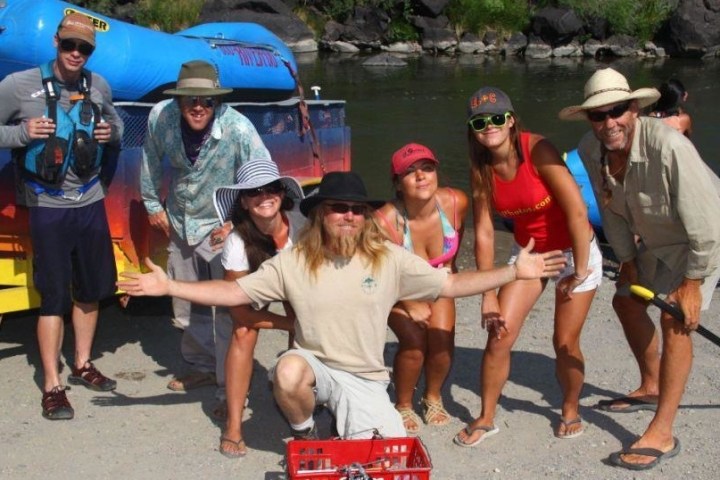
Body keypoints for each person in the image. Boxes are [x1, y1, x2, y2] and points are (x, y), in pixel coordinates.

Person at [119, 171, 567, 444]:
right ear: (321, 214)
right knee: (287, 372)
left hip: (366, 380)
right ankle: (303, 429)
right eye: (339, 209)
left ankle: (350, 421)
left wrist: (513, 272)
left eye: (357, 209)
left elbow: (450, 283)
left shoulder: (388, 258)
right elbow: (234, 294)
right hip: (314, 365)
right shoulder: (294, 260)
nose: (349, 216)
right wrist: (169, 285)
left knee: (385, 457)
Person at [559, 67, 720, 470]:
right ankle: (651, 385)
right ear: (589, 120)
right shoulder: (589, 148)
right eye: (599, 114)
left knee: (676, 319)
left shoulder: (669, 146)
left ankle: (662, 431)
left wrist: (693, 284)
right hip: (660, 239)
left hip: (704, 237)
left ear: (634, 109)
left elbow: (707, 224)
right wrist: (628, 262)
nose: (609, 122)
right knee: (627, 301)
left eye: (617, 110)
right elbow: (612, 210)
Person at [454, 87, 602, 447]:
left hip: (574, 249)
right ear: (472, 128)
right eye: (479, 122)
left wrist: (578, 271)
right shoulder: (482, 169)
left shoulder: (539, 150)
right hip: (529, 254)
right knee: (499, 333)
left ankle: (569, 408)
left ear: (511, 121)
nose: (489, 127)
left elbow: (578, 212)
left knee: (564, 341)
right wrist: (487, 293)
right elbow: (486, 233)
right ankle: (487, 417)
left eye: (496, 119)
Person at [0, 12, 123, 419]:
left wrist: (111, 133)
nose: (76, 53)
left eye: (84, 48)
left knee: (90, 289)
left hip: (89, 201)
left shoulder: (98, 85)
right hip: (47, 205)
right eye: (69, 45)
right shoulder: (19, 86)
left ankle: (82, 362)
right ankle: (52, 385)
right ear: (55, 42)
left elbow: (118, 126)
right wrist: (21, 134)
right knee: (53, 295)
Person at [139, 60, 271, 408]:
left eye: (206, 101)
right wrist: (153, 204)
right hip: (181, 220)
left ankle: (230, 384)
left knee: (229, 306)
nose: (198, 107)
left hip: (223, 225)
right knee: (189, 301)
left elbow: (263, 178)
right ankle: (202, 366)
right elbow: (151, 158)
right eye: (190, 99)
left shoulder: (238, 129)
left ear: (217, 102)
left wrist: (235, 221)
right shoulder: (160, 117)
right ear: (179, 100)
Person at [212, 158, 305, 458]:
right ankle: (234, 424)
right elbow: (239, 310)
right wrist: (288, 324)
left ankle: (301, 400)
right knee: (242, 331)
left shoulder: (303, 224)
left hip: (297, 281)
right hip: (256, 282)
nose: (264, 196)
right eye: (254, 192)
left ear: (282, 192)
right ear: (243, 201)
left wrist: (300, 320)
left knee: (305, 319)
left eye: (271, 188)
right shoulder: (237, 241)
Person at [375, 143, 469, 434]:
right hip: (392, 288)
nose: (421, 176)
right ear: (398, 184)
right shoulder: (383, 222)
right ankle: (403, 403)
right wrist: (406, 303)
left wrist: (449, 270)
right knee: (415, 342)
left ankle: (432, 396)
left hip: (436, 280)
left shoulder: (456, 202)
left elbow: (458, 237)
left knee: (442, 341)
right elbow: (375, 277)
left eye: (427, 168)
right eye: (410, 172)